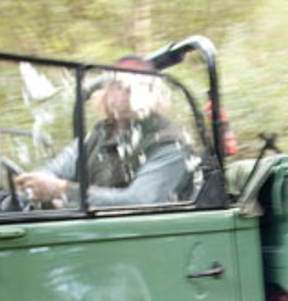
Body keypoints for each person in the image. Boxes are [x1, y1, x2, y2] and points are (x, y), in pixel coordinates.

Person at [15, 57, 196, 208]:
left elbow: (138, 201)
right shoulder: (99, 134)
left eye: (140, 86)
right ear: (107, 93)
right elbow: (54, 170)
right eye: (120, 86)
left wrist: (62, 191)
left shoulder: (168, 144)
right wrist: (36, 184)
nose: (129, 93)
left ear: (152, 96)